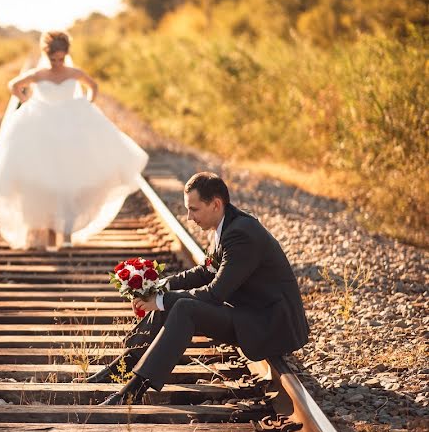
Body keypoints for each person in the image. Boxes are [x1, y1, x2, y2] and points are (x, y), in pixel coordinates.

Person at [89, 172, 310, 405]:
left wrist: (161, 300)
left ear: (215, 204)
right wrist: (161, 286)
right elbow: (205, 272)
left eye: (193, 209)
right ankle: (123, 367)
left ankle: (133, 392)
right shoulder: (225, 225)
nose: (189, 217)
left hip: (269, 322)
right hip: (251, 312)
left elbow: (215, 294)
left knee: (184, 308)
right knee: (172, 301)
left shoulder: (242, 234)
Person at [0, 31, 148, 249]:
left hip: (71, 129)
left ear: (66, 55)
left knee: (73, 180)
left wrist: (87, 104)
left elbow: (93, 86)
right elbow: (13, 85)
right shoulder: (38, 74)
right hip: (43, 128)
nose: (57, 63)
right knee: (48, 180)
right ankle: (49, 234)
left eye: (61, 58)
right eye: (53, 59)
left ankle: (67, 235)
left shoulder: (73, 72)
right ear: (46, 54)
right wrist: (28, 101)